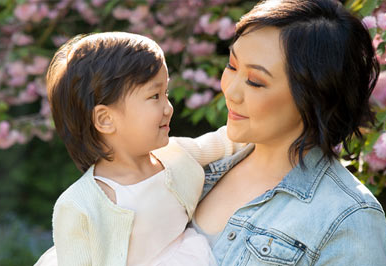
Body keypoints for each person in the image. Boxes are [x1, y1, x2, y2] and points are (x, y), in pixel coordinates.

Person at [191, 0, 386, 265]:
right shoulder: (200, 163)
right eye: (232, 66)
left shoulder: (349, 217)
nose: (230, 90)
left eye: (255, 81)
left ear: (314, 96)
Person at [35, 32, 243, 266]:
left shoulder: (177, 156)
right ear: (105, 119)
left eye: (166, 93)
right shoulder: (80, 205)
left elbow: (230, 141)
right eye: (154, 96)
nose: (168, 107)